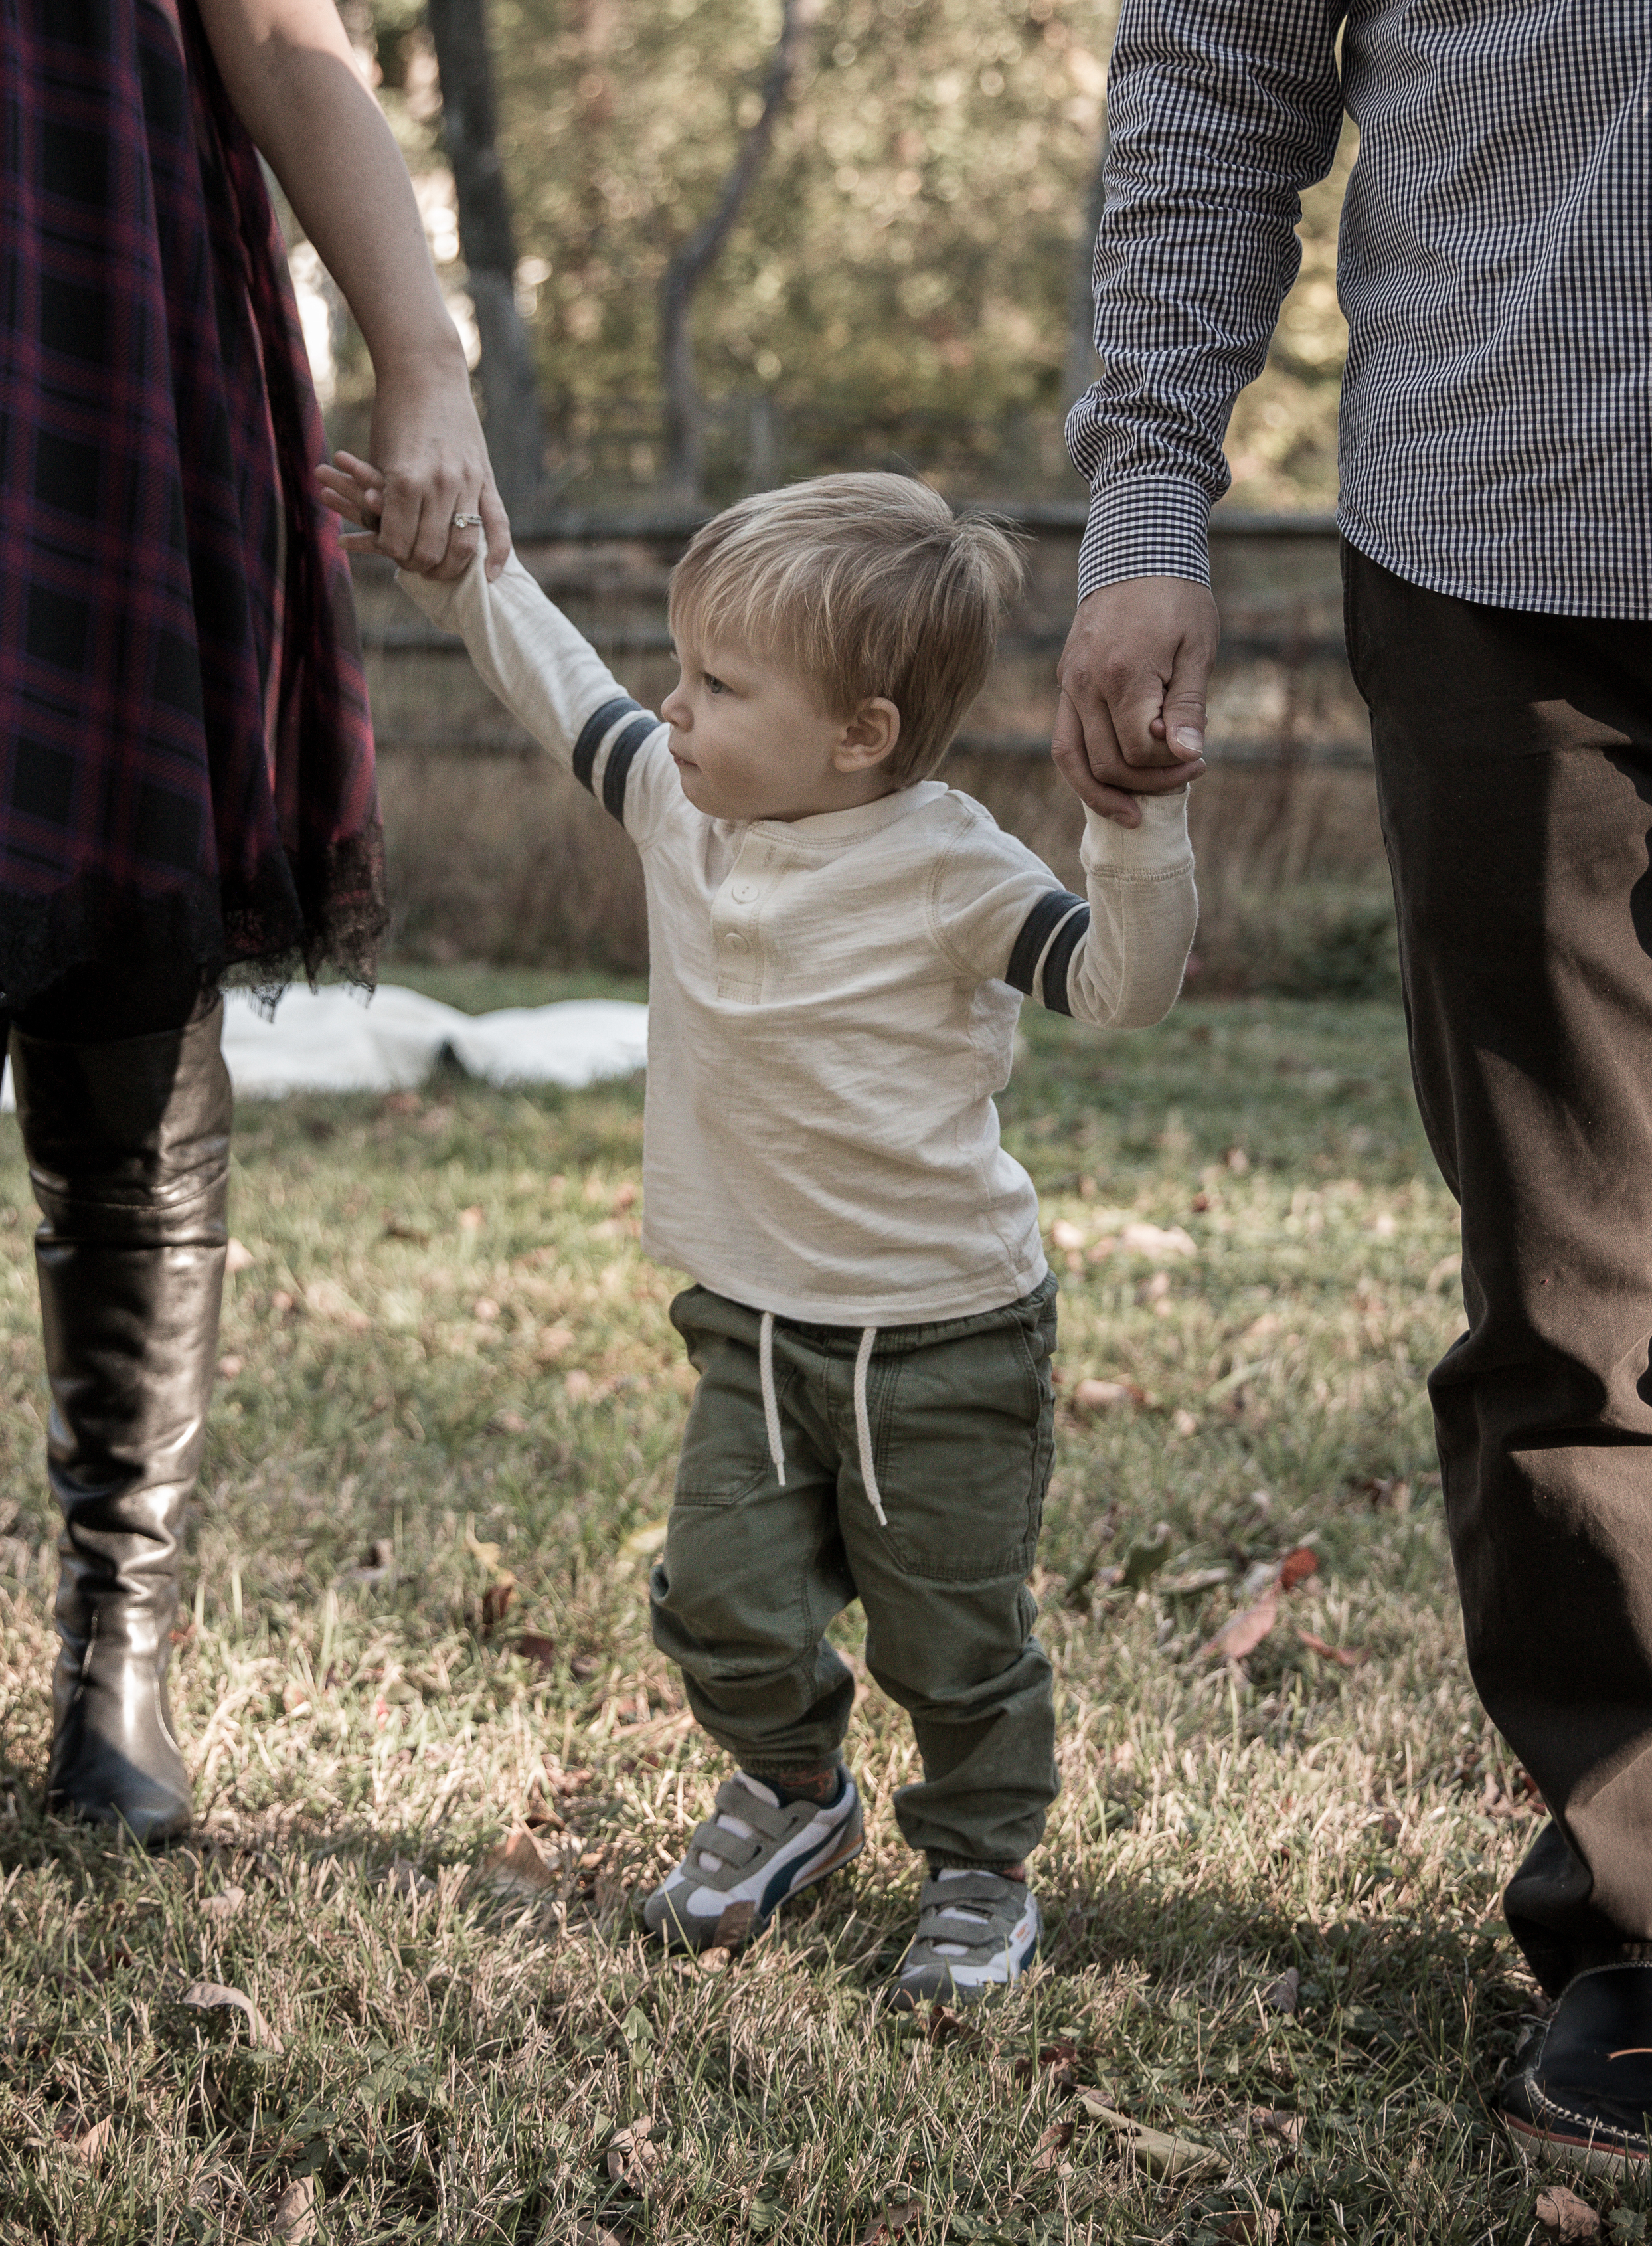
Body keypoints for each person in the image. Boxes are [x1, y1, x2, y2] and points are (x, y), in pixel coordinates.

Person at [321, 462, 1198, 2005]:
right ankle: (796, 1789)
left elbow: (1121, 989)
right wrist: (459, 567)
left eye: (720, 683)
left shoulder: (948, 868)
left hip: (944, 1335)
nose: (674, 707)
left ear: (855, 735)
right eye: (685, 670)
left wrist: (1132, 827)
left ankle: (980, 1871)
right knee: (717, 1598)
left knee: (953, 1641)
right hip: (750, 1316)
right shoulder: (683, 806)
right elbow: (564, 689)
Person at [1057, 0, 1652, 2167]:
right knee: (1574, 1282)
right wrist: (1144, 504)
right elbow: (1217, 72)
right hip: (1514, 551)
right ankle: (1644, 1931)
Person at [1, 0, 511, 1844]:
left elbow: (286, 31)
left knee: (127, 965)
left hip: (106, 341)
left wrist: (422, 357)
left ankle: (113, 1659)